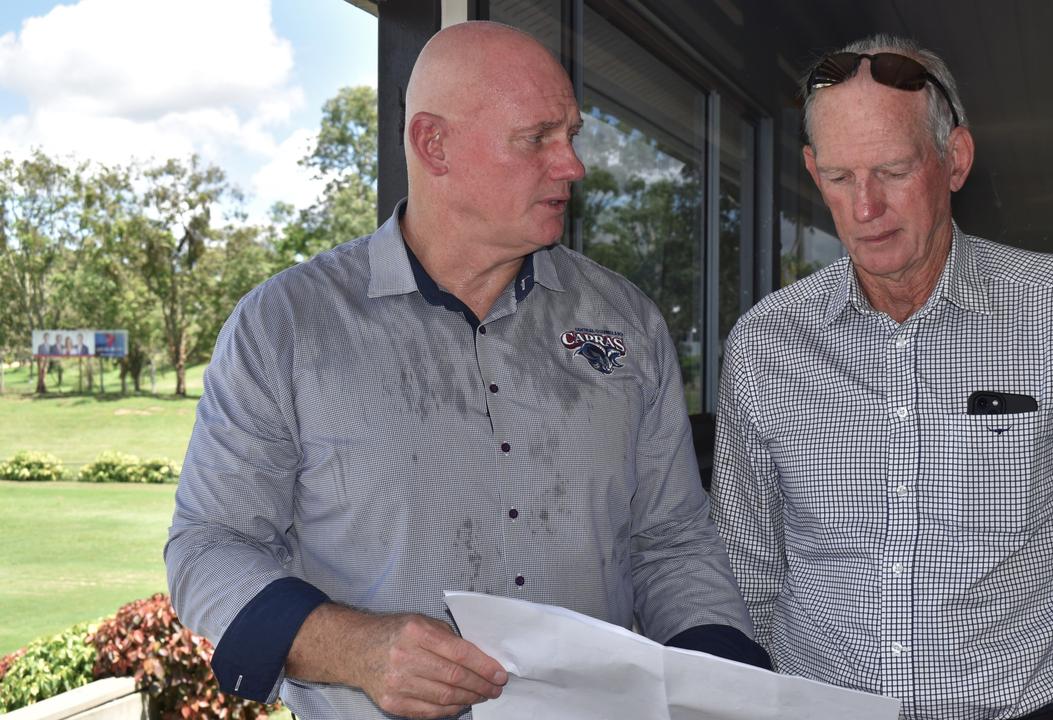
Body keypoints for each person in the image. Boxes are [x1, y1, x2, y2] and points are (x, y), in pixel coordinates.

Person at [166, 20, 767, 720]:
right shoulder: (285, 327)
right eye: (536, 138)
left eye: (570, 135)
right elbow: (209, 547)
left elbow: (670, 542)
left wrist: (734, 686)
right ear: (434, 144)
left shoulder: (627, 322)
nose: (571, 164)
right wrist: (351, 647)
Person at [710, 34, 1053, 720]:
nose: (864, 209)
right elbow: (744, 570)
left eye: (891, 170)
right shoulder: (765, 344)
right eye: (838, 176)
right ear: (810, 168)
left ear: (954, 160)